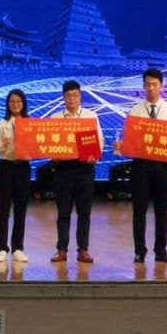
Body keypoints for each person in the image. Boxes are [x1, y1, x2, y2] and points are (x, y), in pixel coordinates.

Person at [123, 68, 167, 263]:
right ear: (143, 86)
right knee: (139, 210)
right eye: (147, 85)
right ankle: (140, 251)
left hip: (162, 166)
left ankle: (161, 251)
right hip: (141, 167)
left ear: (162, 86)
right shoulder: (135, 111)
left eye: (155, 85)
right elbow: (129, 140)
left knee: (161, 210)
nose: (151, 88)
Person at [50, 81, 103, 264]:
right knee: (63, 212)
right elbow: (50, 143)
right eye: (68, 96)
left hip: (85, 169)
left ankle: (83, 250)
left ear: (80, 97)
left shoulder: (91, 116)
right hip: (63, 169)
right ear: (63, 97)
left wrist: (94, 155)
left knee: (84, 212)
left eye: (75, 95)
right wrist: (52, 154)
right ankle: (61, 250)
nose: (72, 99)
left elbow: (99, 141)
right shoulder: (56, 118)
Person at [0, 89, 31, 263]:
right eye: (12, 102)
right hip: (6, 167)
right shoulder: (1, 124)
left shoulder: (30, 123)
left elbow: (36, 146)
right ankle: (2, 248)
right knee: (3, 209)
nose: (15, 105)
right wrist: (4, 144)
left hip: (23, 168)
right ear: (8, 104)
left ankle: (18, 248)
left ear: (23, 104)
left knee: (20, 209)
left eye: (19, 102)